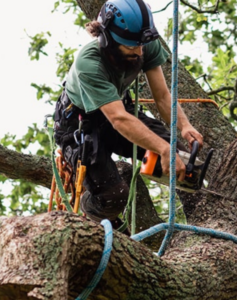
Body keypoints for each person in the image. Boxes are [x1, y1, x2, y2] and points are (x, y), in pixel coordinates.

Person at [53, 0, 203, 229]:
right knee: (113, 195)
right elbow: (119, 119)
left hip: (119, 111)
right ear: (107, 39)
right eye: (132, 46)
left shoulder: (142, 42)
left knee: (183, 161)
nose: (140, 51)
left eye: (142, 45)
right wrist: (163, 149)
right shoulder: (89, 63)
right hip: (81, 126)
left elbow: (162, 96)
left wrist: (184, 126)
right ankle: (92, 208)